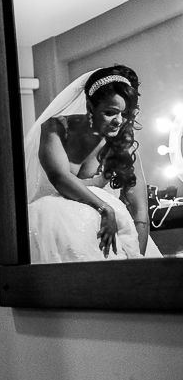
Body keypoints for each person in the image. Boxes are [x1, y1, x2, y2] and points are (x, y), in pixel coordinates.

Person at [25, 65, 161, 263]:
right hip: (51, 229)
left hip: (104, 237)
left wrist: (137, 261)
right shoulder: (56, 129)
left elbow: (139, 211)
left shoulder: (124, 146)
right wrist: (105, 209)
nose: (119, 121)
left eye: (124, 114)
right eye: (110, 112)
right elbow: (59, 177)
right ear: (90, 107)